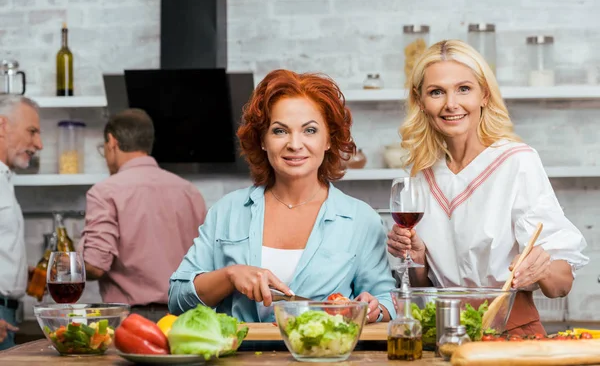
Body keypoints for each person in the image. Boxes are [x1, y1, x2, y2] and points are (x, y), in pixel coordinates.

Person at [387, 39, 589, 335]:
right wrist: (416, 259)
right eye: (436, 92)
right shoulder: (421, 175)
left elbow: (561, 285)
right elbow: (423, 287)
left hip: (512, 333)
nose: (451, 104)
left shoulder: (516, 161)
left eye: (464, 89)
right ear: (420, 101)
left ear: (484, 94)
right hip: (442, 332)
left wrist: (541, 267)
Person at [169, 69, 396, 323]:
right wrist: (229, 276)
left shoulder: (361, 219)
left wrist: (376, 309)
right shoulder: (228, 211)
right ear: (263, 140)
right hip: (238, 360)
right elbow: (177, 299)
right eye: (280, 131)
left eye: (309, 130)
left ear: (328, 140)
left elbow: (387, 299)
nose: (295, 144)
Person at [80, 108, 207, 322]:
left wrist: (68, 264)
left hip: (130, 321)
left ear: (112, 142)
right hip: (185, 317)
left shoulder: (105, 192)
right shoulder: (189, 191)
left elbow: (96, 265)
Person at [0, 95, 43, 350]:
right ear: (2, 125)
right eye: (32, 131)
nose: (39, 144)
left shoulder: (5, 178)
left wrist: (16, 272)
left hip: (8, 316)